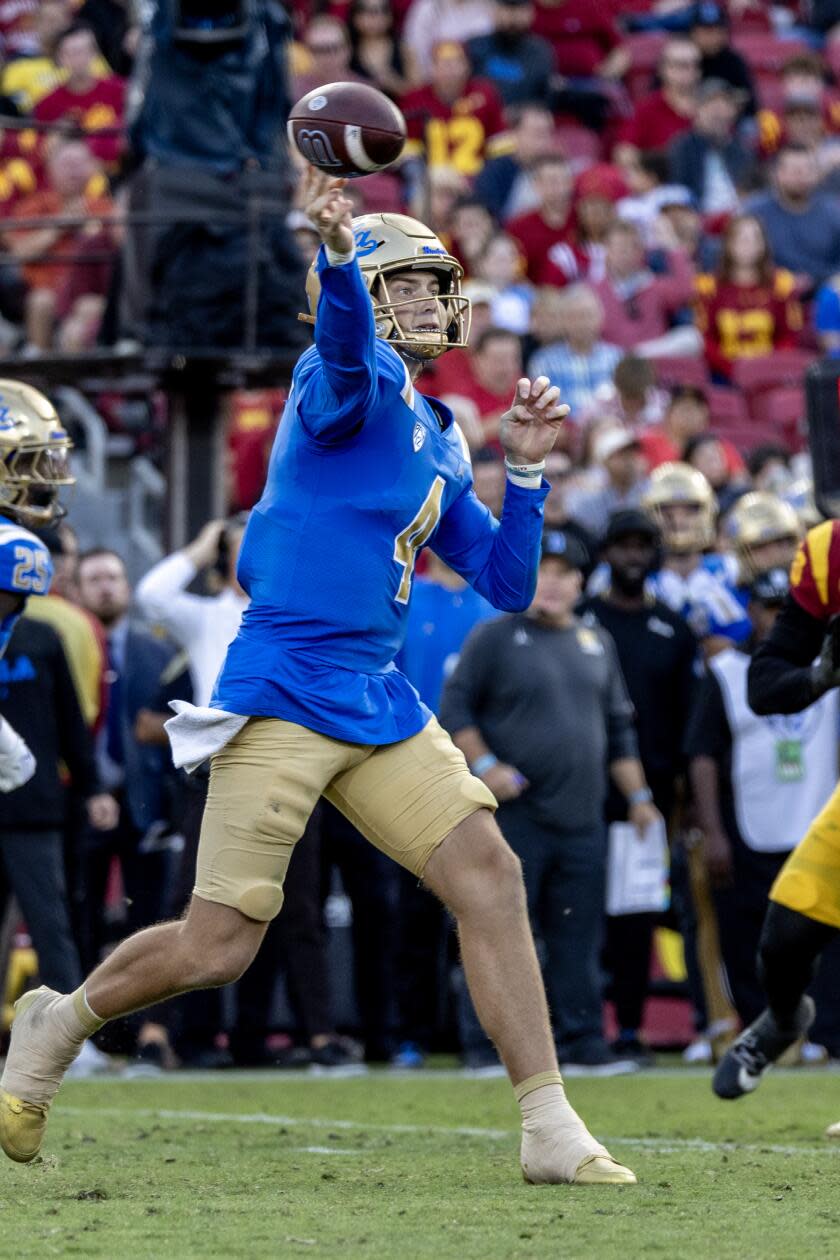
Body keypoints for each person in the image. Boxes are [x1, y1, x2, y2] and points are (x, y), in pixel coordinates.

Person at [1, 168, 635, 1186]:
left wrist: (522, 471)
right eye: (408, 285)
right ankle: (56, 1027)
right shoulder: (335, 379)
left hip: (379, 696)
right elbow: (347, 344)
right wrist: (340, 260)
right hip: (287, 687)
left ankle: (549, 1125)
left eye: (436, 285)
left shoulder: (435, 430)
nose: (428, 301)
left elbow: (509, 581)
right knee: (217, 946)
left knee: (490, 874)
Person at [441, 527, 660, 1071]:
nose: (553, 584)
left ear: (581, 582)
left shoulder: (596, 642)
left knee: (579, 939)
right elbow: (456, 711)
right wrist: (487, 765)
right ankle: (484, 1046)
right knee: (498, 929)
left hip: (583, 818)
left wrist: (640, 796)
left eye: (564, 573)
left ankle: (585, 1043)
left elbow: (619, 730)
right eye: (543, 571)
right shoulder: (494, 636)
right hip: (514, 816)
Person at [713, 520, 840, 1117]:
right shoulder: (826, 554)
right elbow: (764, 683)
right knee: (783, 942)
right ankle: (787, 1017)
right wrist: (820, 675)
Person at [686, 567, 838, 1034]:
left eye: (786, 609)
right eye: (769, 608)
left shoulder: (830, 666)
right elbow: (703, 755)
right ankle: (765, 1030)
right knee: (749, 937)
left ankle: (825, 1036)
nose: (777, 619)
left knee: (825, 938)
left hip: (817, 825)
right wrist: (713, 833)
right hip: (749, 830)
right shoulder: (728, 673)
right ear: (750, 611)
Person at [581, 509, 698, 1060]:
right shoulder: (581, 619)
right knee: (573, 913)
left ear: (655, 555)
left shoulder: (674, 629)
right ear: (605, 554)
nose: (632, 556)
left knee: (634, 917)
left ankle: (627, 1029)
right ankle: (574, 1028)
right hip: (577, 789)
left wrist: (679, 796)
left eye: (642, 546)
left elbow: (689, 720)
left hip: (645, 803)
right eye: (622, 546)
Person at [693, 215, 803, 382]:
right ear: (728, 243)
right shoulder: (708, 287)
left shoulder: (782, 284)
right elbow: (704, 340)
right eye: (741, 238)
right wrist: (733, 369)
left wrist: (766, 368)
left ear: (763, 244)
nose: (747, 244)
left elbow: (789, 337)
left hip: (771, 373)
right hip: (723, 374)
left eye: (754, 238)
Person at [400, 40, 511, 178]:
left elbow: (500, 145)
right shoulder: (415, 99)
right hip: (431, 182)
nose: (450, 70)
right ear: (431, 69)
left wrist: (488, 178)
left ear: (468, 66)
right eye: (443, 63)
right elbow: (409, 155)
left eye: (456, 62)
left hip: (478, 181)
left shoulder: (485, 94)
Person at [589, 219, 698, 358]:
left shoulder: (653, 285)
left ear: (641, 252)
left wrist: (673, 248)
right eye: (619, 247)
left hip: (652, 359)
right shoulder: (594, 292)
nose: (625, 253)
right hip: (613, 362)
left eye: (632, 247)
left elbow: (686, 291)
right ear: (607, 251)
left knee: (691, 337)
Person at [748, 144, 840, 292]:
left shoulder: (833, 213)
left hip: (824, 293)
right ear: (777, 173)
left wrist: (816, 280)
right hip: (768, 294)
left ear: (816, 174)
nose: (800, 176)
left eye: (806, 170)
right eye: (793, 170)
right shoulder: (755, 213)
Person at [34, 23, 126, 169]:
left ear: (94, 54)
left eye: (83, 52)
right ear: (60, 58)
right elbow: (40, 153)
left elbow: (131, 138)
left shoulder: (120, 90)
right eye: (71, 53)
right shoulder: (47, 104)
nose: (78, 60)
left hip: (118, 173)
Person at [527, 285, 622, 417]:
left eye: (588, 315)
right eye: (575, 316)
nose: (583, 322)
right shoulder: (543, 362)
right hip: (562, 432)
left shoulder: (617, 359)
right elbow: (541, 411)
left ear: (601, 318)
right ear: (563, 320)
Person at [668, 79, 755, 216]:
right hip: (697, 221)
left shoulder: (742, 151)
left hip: (737, 222)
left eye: (725, 106)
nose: (719, 112)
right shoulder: (683, 148)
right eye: (712, 105)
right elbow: (678, 194)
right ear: (698, 110)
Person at [613, 37, 700, 162]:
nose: (689, 71)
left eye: (695, 65)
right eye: (681, 65)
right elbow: (624, 153)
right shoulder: (646, 109)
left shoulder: (707, 108)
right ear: (663, 69)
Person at [473, 103, 558, 224]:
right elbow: (487, 219)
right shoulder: (495, 172)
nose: (545, 141)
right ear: (515, 134)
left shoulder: (560, 171)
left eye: (549, 133)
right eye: (537, 134)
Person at [466, 0, 555, 107]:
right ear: (494, 12)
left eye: (519, 10)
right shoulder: (475, 47)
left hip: (524, 118)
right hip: (481, 116)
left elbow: (544, 99)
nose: (513, 18)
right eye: (507, 9)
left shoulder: (541, 52)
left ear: (531, 14)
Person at [567, 429, 648, 542]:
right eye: (621, 455)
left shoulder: (649, 491)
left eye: (631, 454)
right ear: (605, 461)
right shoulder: (589, 498)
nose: (629, 461)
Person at [506, 154, 575, 284]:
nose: (560, 188)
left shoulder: (585, 220)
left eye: (564, 180)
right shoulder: (519, 228)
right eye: (552, 181)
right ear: (537, 186)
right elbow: (514, 274)